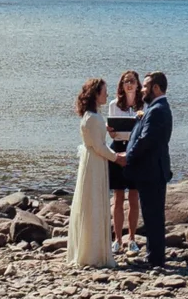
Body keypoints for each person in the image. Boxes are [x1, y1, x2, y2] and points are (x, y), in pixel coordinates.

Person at [66, 78, 116, 270]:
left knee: (91, 201)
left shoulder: (92, 116)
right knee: (93, 201)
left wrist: (106, 129)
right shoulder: (93, 118)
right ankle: (92, 252)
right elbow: (99, 147)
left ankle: (89, 249)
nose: (107, 95)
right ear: (96, 94)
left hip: (92, 161)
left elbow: (96, 140)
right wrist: (117, 157)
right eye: (104, 91)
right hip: (95, 162)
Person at [127, 71, 173, 270]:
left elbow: (146, 140)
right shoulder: (158, 107)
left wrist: (127, 157)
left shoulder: (156, 110)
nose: (142, 90)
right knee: (152, 214)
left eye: (145, 86)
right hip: (155, 169)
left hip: (152, 170)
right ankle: (154, 255)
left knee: (152, 215)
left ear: (156, 88)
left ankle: (154, 258)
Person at [106, 72, 144, 260]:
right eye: (125, 81)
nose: (129, 84)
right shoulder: (114, 105)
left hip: (135, 151)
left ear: (138, 84)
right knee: (118, 195)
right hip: (118, 149)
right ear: (121, 85)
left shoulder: (143, 105)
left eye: (132, 81)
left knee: (134, 195)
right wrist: (111, 133)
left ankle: (132, 238)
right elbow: (113, 134)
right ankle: (117, 239)